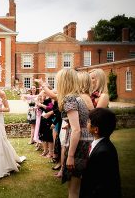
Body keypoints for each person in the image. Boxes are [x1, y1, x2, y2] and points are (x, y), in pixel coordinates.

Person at [56, 68, 93, 198]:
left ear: (63, 82)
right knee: (78, 186)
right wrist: (70, 126)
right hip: (85, 141)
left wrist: (70, 155)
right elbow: (82, 121)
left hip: (78, 146)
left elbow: (77, 129)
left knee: (73, 189)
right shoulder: (78, 97)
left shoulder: (69, 99)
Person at [80, 108, 121, 198]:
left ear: (96, 129)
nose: (87, 123)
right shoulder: (98, 144)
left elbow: (104, 184)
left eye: (88, 121)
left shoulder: (104, 152)